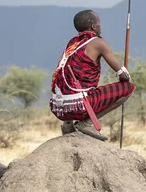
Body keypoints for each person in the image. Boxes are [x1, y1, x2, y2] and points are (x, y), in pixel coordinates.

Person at [49, 9, 135, 141]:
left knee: (76, 87)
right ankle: (86, 122)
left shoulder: (73, 43)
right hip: (80, 107)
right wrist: (125, 74)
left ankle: (68, 124)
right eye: (99, 23)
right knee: (128, 88)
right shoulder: (98, 43)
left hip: (59, 108)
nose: (100, 26)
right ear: (94, 26)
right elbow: (123, 75)